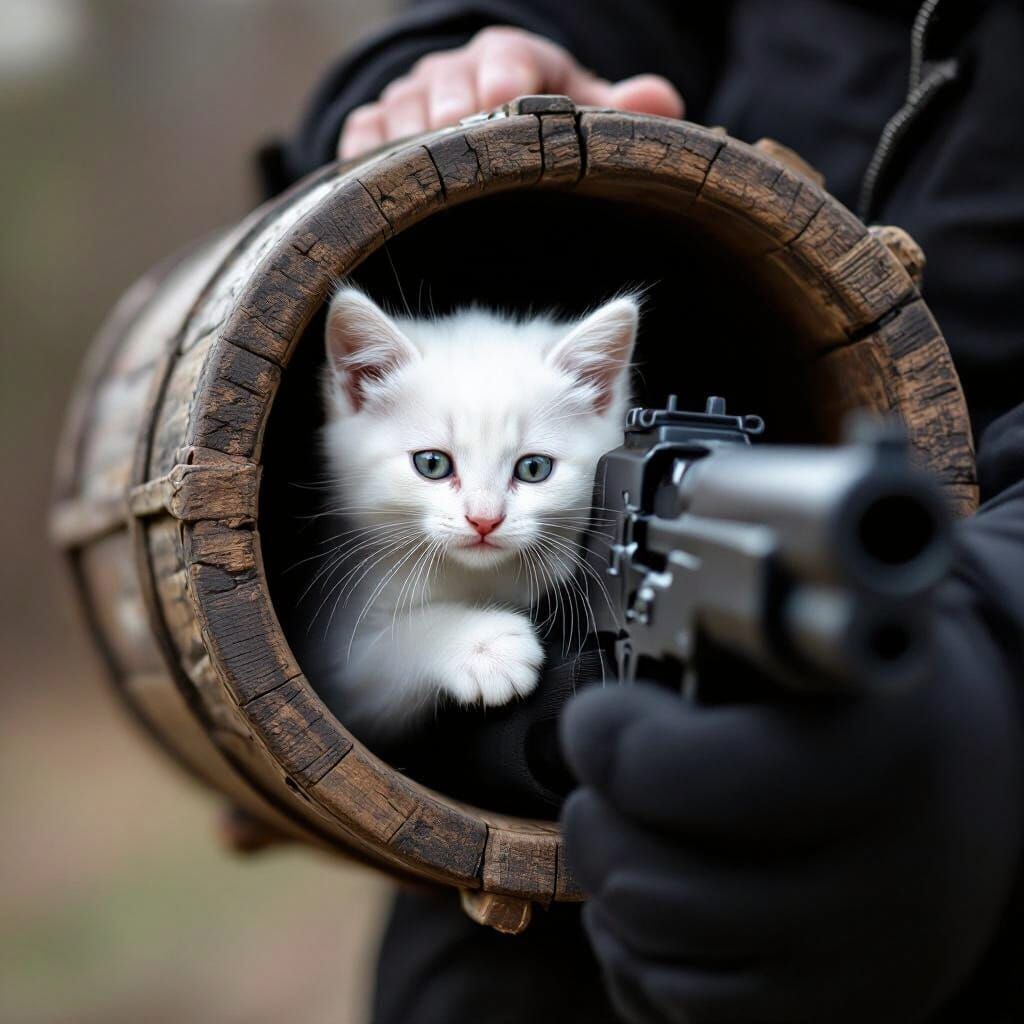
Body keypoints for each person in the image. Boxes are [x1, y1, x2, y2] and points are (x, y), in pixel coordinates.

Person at [263, 2, 1024, 1021]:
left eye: (526, 473)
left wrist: (991, 658)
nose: (484, 513)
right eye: (441, 468)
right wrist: (447, 67)